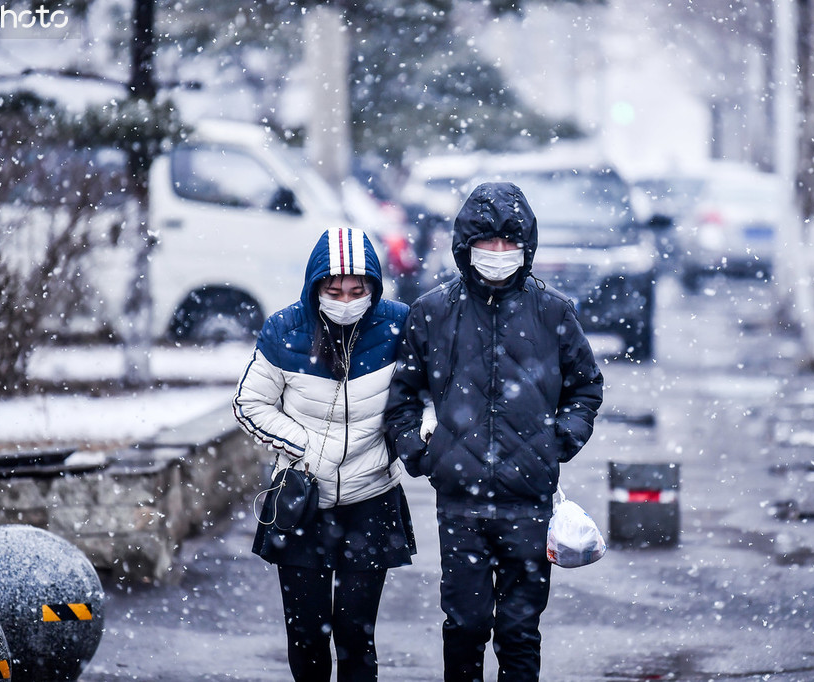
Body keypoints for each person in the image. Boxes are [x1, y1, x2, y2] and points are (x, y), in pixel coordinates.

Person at [385, 181, 604, 681]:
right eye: (488, 242)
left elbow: (586, 387)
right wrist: (422, 452)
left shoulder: (553, 313)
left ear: (526, 246)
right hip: (460, 503)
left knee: (519, 631)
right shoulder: (434, 312)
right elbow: (403, 396)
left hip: (529, 502)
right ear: (466, 247)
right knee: (464, 626)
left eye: (510, 243)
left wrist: (556, 443)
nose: (499, 253)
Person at [233, 226, 416, 682]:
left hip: (371, 497)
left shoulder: (398, 325)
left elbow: (424, 394)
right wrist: (305, 447)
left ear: (374, 287)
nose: (346, 298)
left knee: (357, 633)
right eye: (334, 289)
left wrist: (416, 434)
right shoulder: (285, 330)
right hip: (302, 501)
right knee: (307, 635)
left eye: (358, 289)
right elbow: (249, 403)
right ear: (315, 286)